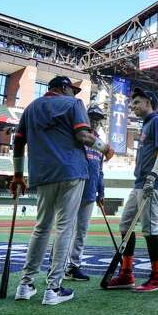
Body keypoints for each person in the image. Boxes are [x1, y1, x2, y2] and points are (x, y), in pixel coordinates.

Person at [11, 76, 114, 306]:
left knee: (41, 227)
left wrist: (18, 174)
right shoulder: (73, 104)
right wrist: (105, 148)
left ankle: (25, 285)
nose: (75, 95)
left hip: (43, 174)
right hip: (71, 172)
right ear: (65, 88)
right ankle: (53, 289)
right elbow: (83, 136)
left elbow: (18, 143)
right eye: (72, 90)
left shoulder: (31, 108)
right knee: (65, 228)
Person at [106, 87, 158, 292]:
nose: (132, 106)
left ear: (148, 103)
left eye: (136, 103)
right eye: (132, 103)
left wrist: (152, 176)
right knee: (125, 225)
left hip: (152, 183)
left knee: (150, 229)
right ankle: (126, 274)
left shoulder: (157, 122)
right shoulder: (146, 125)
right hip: (139, 184)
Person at [64, 104, 107, 282]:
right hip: (73, 189)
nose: (95, 121)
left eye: (98, 119)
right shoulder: (77, 136)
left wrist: (101, 191)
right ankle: (57, 266)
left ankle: (74, 267)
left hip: (90, 192)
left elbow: (100, 169)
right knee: (65, 230)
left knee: (81, 232)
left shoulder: (99, 143)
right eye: (92, 117)